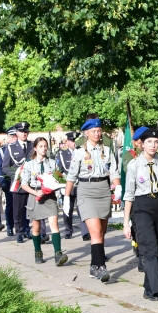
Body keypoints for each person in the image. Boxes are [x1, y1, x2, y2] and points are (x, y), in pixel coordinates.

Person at [123, 127, 158, 308]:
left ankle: (148, 288)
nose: (153, 145)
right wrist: (125, 222)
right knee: (150, 248)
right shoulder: (134, 165)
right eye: (149, 142)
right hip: (142, 206)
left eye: (156, 142)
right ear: (142, 144)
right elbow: (129, 195)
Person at [63, 118, 121, 281]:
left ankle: (94, 266)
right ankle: (101, 267)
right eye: (93, 131)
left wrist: (118, 186)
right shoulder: (80, 152)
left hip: (103, 189)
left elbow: (114, 171)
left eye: (99, 130)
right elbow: (71, 176)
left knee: (101, 232)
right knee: (95, 231)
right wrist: (67, 197)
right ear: (86, 133)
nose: (97, 133)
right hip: (86, 191)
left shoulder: (108, 150)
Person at [19, 136, 69, 266]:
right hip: (35, 196)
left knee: (54, 224)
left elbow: (58, 178)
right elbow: (24, 184)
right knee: (36, 228)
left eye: (45, 146)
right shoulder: (29, 164)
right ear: (35, 148)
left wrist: (60, 185)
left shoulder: (52, 163)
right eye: (41, 146)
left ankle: (58, 253)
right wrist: (36, 192)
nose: (44, 149)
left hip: (50, 196)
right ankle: (38, 252)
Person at [0, 124, 32, 243]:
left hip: (31, 182)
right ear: (17, 133)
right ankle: (19, 231)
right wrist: (16, 175)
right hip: (18, 183)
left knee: (30, 208)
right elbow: (5, 167)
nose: (24, 133)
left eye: (26, 131)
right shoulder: (10, 147)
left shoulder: (32, 145)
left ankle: (27, 229)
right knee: (18, 208)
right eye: (21, 131)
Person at [56, 132, 79, 238]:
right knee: (67, 208)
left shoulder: (82, 152)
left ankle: (85, 231)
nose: (74, 143)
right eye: (72, 141)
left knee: (82, 208)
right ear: (68, 141)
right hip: (67, 184)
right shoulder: (62, 154)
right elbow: (59, 170)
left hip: (79, 184)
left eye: (75, 141)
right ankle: (68, 230)